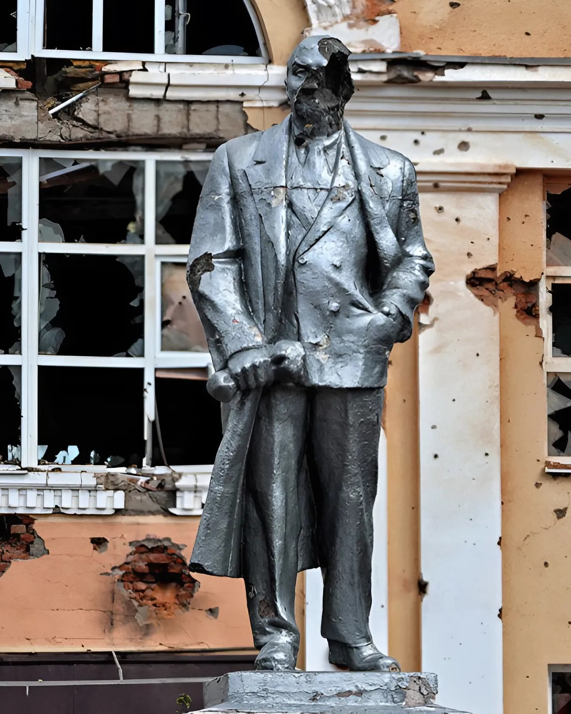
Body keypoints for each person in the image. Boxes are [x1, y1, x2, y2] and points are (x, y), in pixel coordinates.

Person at [186, 35, 434, 672]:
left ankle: (350, 633)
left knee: (351, 500)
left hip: (353, 354)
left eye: (321, 80)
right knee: (270, 499)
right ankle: (275, 635)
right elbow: (211, 260)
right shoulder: (239, 160)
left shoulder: (389, 169)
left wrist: (389, 317)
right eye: (298, 76)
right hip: (272, 358)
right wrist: (241, 341)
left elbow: (412, 258)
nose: (307, 90)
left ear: (344, 88)